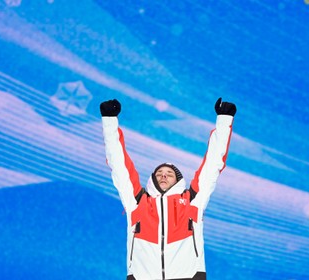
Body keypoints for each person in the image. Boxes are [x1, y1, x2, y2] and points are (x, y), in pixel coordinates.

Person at [100, 98, 236, 280]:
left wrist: (224, 119)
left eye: (169, 174)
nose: (164, 175)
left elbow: (213, 163)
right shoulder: (137, 202)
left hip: (188, 276)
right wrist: (109, 121)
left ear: (178, 180)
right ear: (152, 180)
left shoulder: (192, 200)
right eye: (159, 173)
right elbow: (118, 165)